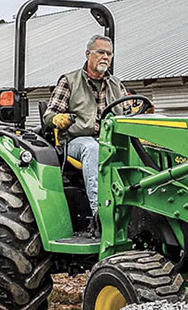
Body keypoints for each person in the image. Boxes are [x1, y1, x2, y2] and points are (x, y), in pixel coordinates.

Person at [43, 34, 130, 235]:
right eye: (101, 52)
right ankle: (101, 215)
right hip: (76, 141)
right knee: (92, 148)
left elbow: (127, 113)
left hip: (110, 140)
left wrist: (143, 113)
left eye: (109, 53)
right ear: (88, 53)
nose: (105, 57)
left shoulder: (116, 84)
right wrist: (56, 119)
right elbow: (50, 114)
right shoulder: (69, 81)